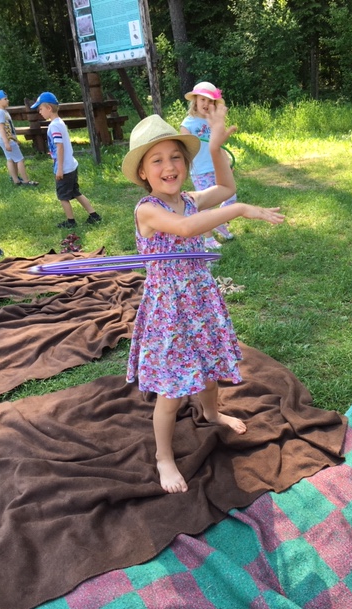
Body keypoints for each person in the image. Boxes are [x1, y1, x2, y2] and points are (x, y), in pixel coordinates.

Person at [121, 105, 284, 494]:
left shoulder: (190, 199)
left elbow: (225, 188)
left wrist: (215, 149)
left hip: (200, 301)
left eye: (176, 157)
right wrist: (239, 211)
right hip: (169, 311)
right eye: (157, 160)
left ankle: (211, 413)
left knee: (209, 373)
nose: (169, 166)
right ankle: (163, 456)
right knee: (171, 393)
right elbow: (185, 229)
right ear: (142, 172)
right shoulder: (149, 210)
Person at [30, 91, 101, 228]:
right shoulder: (59, 122)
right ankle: (94, 215)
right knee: (75, 192)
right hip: (71, 165)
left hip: (65, 168)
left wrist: (60, 169)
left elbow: (60, 147)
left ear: (49, 108)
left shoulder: (54, 126)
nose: (39, 112)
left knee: (63, 197)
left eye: (40, 108)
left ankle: (71, 222)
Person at [181, 81, 236, 249]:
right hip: (201, 170)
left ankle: (218, 222)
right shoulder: (188, 124)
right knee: (206, 204)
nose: (206, 103)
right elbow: (184, 149)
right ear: (195, 101)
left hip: (218, 167)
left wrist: (227, 162)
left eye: (210, 101)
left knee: (231, 198)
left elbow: (219, 145)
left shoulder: (213, 122)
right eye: (202, 99)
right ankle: (208, 238)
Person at [0, 90, 39, 187]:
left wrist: (15, 139)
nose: (8, 101)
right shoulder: (1, 112)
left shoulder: (3, 112)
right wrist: (6, 142)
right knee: (20, 159)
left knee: (10, 159)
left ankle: (16, 180)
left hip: (8, 139)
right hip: (7, 140)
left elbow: (9, 128)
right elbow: (1, 128)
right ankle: (26, 181)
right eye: (5, 99)